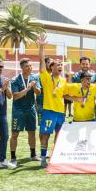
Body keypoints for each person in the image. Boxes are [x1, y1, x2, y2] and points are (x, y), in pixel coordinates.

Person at [37, 33, 68, 167]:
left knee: (59, 136)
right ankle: (43, 158)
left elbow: (65, 95)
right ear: (51, 67)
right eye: (57, 65)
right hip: (49, 111)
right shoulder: (45, 77)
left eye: (61, 64)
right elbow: (41, 62)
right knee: (45, 135)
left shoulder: (63, 80)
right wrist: (42, 47)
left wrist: (78, 98)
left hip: (61, 112)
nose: (60, 66)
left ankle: (55, 157)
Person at [9, 58, 40, 166]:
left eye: (31, 66)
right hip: (18, 110)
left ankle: (33, 155)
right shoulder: (15, 80)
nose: (30, 68)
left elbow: (39, 92)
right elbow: (16, 96)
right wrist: (28, 88)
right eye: (27, 66)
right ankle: (13, 157)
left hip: (30, 109)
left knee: (32, 132)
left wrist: (35, 87)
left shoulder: (35, 77)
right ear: (22, 67)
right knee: (15, 134)